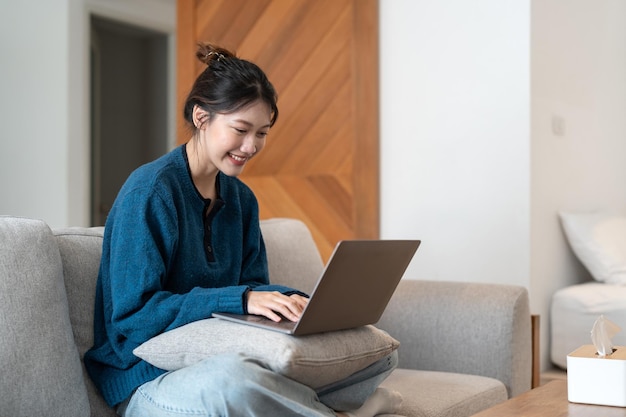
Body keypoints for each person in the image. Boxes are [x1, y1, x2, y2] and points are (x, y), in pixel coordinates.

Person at [84, 42, 402, 417]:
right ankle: (341, 412)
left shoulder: (241, 200)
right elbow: (133, 318)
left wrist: (297, 302)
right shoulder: (151, 192)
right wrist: (241, 298)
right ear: (202, 118)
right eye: (241, 129)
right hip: (147, 381)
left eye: (262, 133)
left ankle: (307, 407)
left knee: (379, 357)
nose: (251, 146)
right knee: (233, 382)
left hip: (220, 353)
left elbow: (252, 289)